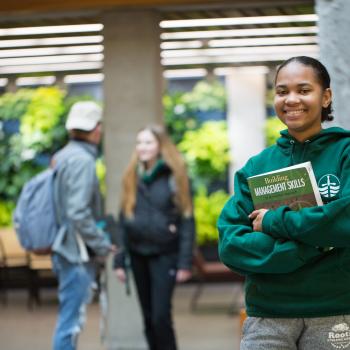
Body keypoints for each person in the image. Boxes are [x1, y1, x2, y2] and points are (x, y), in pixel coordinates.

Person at [218, 56, 350, 350]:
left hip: (335, 310)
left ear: (325, 97)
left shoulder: (346, 153)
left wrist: (272, 222)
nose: (291, 100)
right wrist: (318, 243)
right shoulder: (257, 166)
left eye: (304, 90)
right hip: (267, 315)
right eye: (281, 91)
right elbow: (230, 243)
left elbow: (346, 221)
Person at [114, 124, 195, 350]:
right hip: (138, 254)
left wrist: (184, 263)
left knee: (161, 316)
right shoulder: (132, 175)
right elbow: (123, 219)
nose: (142, 147)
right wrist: (119, 261)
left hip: (165, 255)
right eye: (139, 142)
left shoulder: (175, 176)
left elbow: (187, 220)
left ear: (160, 145)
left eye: (148, 142)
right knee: (148, 317)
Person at [51, 101, 116, 350]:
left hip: (64, 247)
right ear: (97, 129)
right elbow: (77, 211)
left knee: (69, 320)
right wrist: (102, 244)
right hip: (74, 252)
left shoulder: (61, 156)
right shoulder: (82, 161)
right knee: (70, 323)